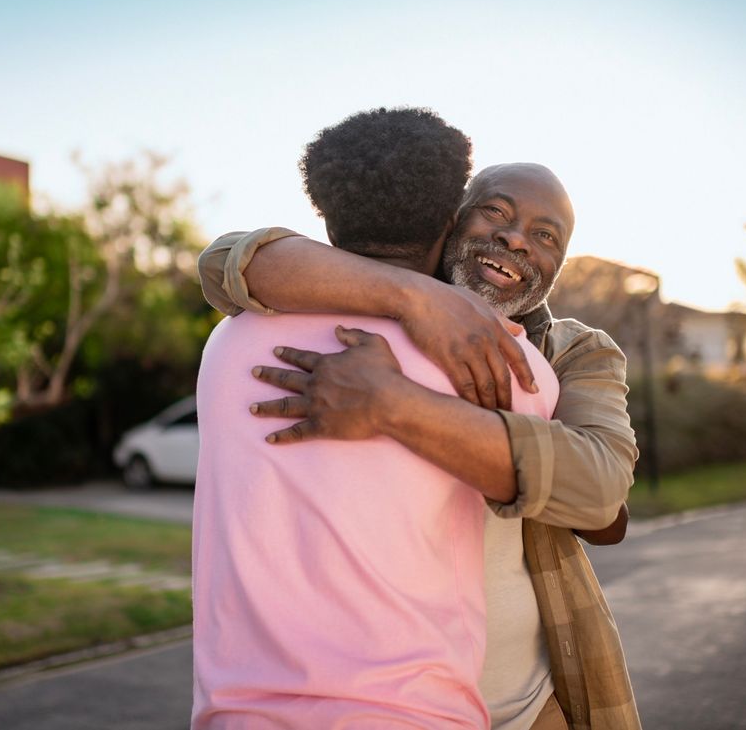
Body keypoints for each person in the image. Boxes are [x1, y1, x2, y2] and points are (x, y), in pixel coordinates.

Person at [198, 163, 641, 730]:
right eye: (497, 211)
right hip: (378, 702)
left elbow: (602, 495)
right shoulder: (360, 291)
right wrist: (415, 298)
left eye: (545, 235)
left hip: (529, 702)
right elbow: (222, 263)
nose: (514, 238)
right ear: (451, 219)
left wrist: (394, 403)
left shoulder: (573, 352)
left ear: (558, 267)